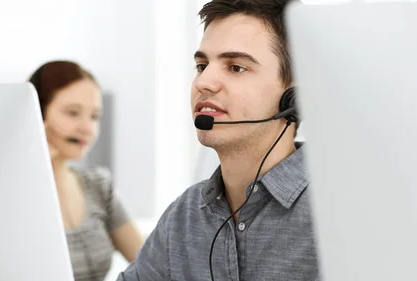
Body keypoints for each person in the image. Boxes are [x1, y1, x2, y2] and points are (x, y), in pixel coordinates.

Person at [116, 0, 319, 280]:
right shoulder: (184, 216)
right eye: (201, 65)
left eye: (236, 67)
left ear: (293, 100)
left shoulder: (339, 212)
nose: (204, 82)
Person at [28, 60, 144, 281]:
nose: (87, 129)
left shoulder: (98, 184)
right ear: (37, 113)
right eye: (72, 113)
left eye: (94, 116)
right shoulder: (11, 195)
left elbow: (151, 264)